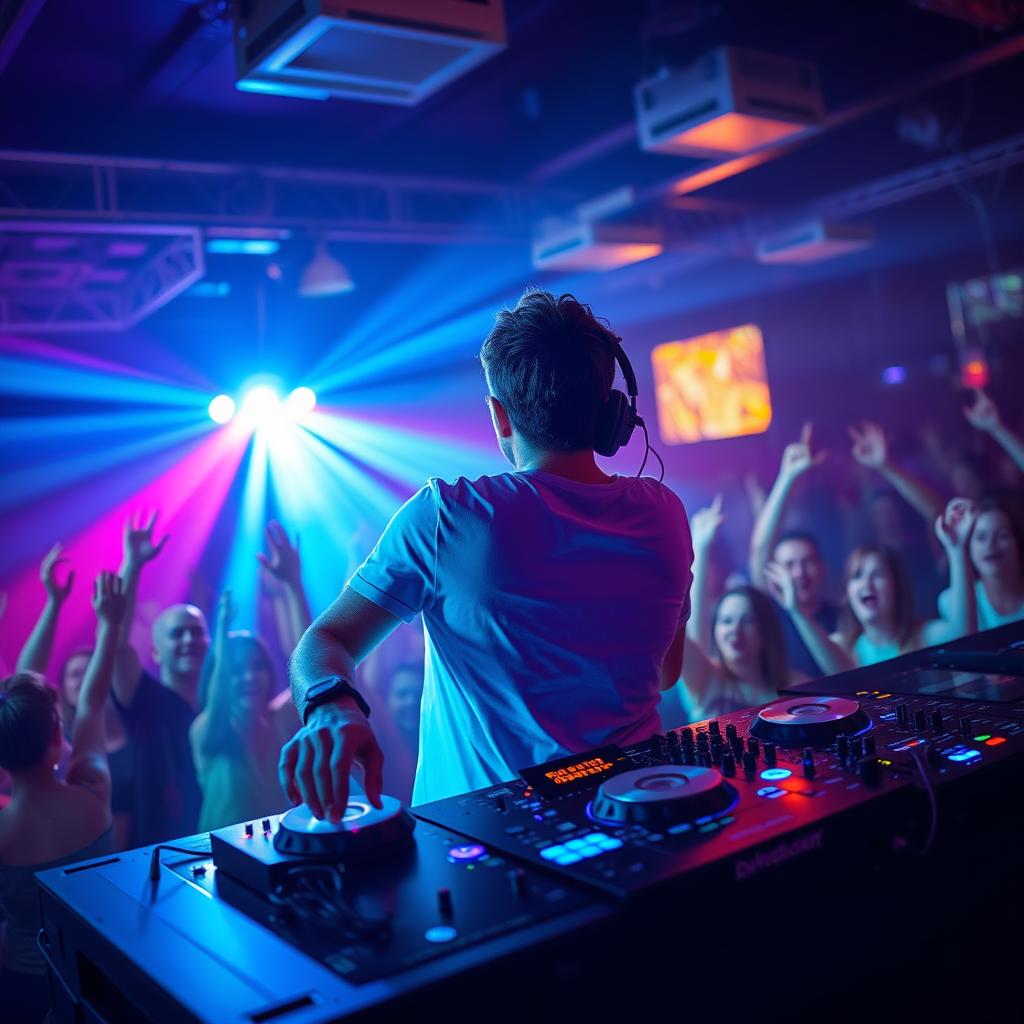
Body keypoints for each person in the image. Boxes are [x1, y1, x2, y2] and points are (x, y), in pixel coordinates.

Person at [279, 289, 693, 816]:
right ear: (610, 410)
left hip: (478, 844)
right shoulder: (664, 513)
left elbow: (325, 641)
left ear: (499, 416)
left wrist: (331, 707)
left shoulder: (447, 517)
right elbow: (665, 673)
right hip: (637, 814)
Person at [0, 573, 125, 1023]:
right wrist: (109, 625)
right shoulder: (92, 792)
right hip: (97, 982)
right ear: (58, 737)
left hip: (20, 991)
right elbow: (91, 703)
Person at [765, 498, 978, 672]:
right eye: (857, 576)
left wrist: (957, 550)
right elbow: (837, 669)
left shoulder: (924, 635)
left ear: (896, 585)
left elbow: (964, 637)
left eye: (877, 575)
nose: (866, 583)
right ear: (848, 591)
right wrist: (796, 610)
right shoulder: (844, 646)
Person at [110, 513, 206, 847]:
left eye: (196, 633)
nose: (188, 640)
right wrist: (133, 565)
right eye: (177, 634)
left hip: (220, 842)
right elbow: (116, 643)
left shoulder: (219, 704)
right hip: (159, 853)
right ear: (154, 651)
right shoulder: (144, 698)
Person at [662, 496, 794, 727]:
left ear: (764, 631)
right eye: (726, 621)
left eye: (747, 621)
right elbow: (689, 629)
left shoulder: (789, 684)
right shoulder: (708, 679)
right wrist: (701, 550)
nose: (734, 630)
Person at [191, 591, 294, 832]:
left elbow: (307, 666)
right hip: (217, 854)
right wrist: (222, 632)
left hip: (277, 846)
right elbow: (217, 700)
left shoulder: (280, 719)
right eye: (238, 669)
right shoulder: (205, 729)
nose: (249, 677)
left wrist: (291, 587)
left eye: (257, 666)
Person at [749, 423, 840, 677]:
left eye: (807, 562)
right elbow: (760, 549)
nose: (799, 573)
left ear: (822, 568)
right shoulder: (770, 618)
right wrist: (787, 478)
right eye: (789, 565)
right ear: (774, 573)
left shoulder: (843, 619)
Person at [938, 498, 1024, 631]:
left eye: (1002, 535)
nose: (990, 545)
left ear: (1018, 542)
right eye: (981, 537)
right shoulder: (951, 602)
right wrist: (957, 548)